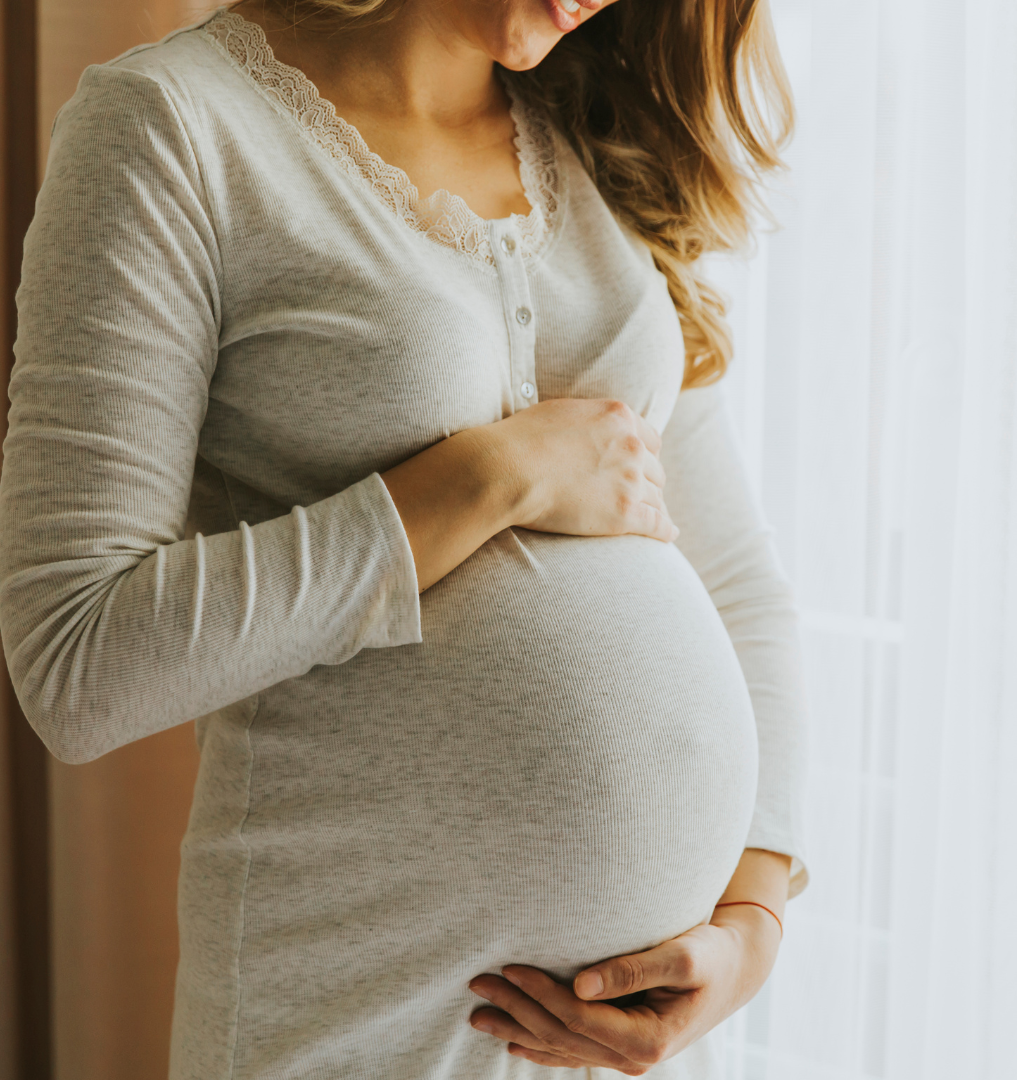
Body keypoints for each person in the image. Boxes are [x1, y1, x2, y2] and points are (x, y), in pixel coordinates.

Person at [0, 0, 810, 1074]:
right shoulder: (176, 129)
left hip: (617, 1041)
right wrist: (484, 481)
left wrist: (751, 923)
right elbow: (75, 662)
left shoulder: (595, 128)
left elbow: (738, 580)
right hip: (354, 1015)